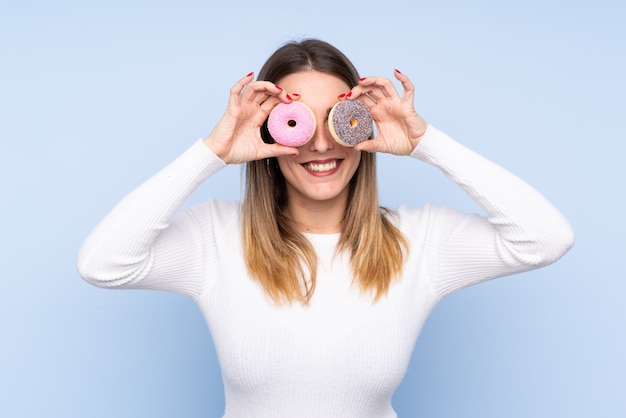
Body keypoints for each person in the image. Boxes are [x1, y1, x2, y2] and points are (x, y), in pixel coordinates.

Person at [77, 39, 575, 417]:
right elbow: (101, 264)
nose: (320, 145)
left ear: (363, 125)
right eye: (298, 121)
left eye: (339, 120)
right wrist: (213, 152)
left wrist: (427, 142)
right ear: (269, 129)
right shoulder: (214, 238)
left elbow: (546, 238)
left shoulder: (418, 243)